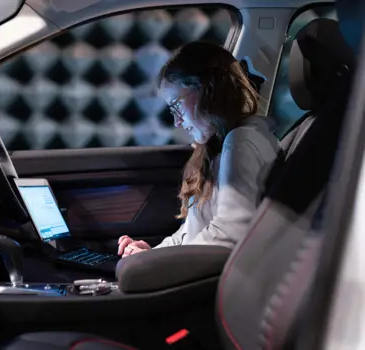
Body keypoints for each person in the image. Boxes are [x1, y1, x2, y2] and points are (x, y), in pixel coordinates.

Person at [118, 41, 280, 257]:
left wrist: (158, 263)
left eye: (176, 105)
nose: (176, 122)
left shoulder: (242, 142)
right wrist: (150, 254)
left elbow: (230, 234)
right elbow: (190, 233)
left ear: (208, 90)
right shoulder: (217, 148)